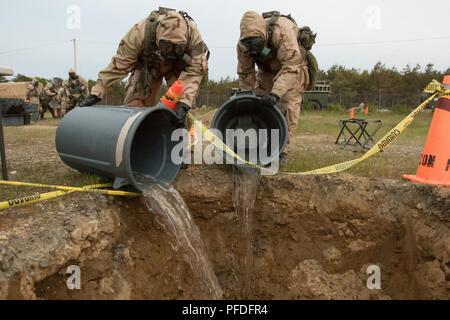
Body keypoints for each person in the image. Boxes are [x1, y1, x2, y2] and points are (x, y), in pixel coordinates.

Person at [80, 7, 209, 127]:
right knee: (135, 108)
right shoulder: (139, 33)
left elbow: (195, 70)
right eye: (166, 47)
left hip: (177, 69)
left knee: (181, 111)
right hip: (148, 66)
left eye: (177, 48)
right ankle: (138, 141)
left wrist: (185, 102)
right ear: (157, 37)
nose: (170, 52)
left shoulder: (193, 36)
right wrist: (98, 90)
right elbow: (120, 64)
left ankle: (183, 145)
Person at [236, 11, 317, 165]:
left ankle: (281, 151)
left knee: (287, 108)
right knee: (258, 105)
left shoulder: (282, 31)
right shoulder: (243, 45)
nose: (253, 49)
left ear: (264, 35)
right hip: (267, 70)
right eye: (250, 46)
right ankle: (260, 146)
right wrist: (246, 97)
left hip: (293, 67)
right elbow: (246, 73)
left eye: (257, 45)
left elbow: (291, 66)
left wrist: (275, 94)